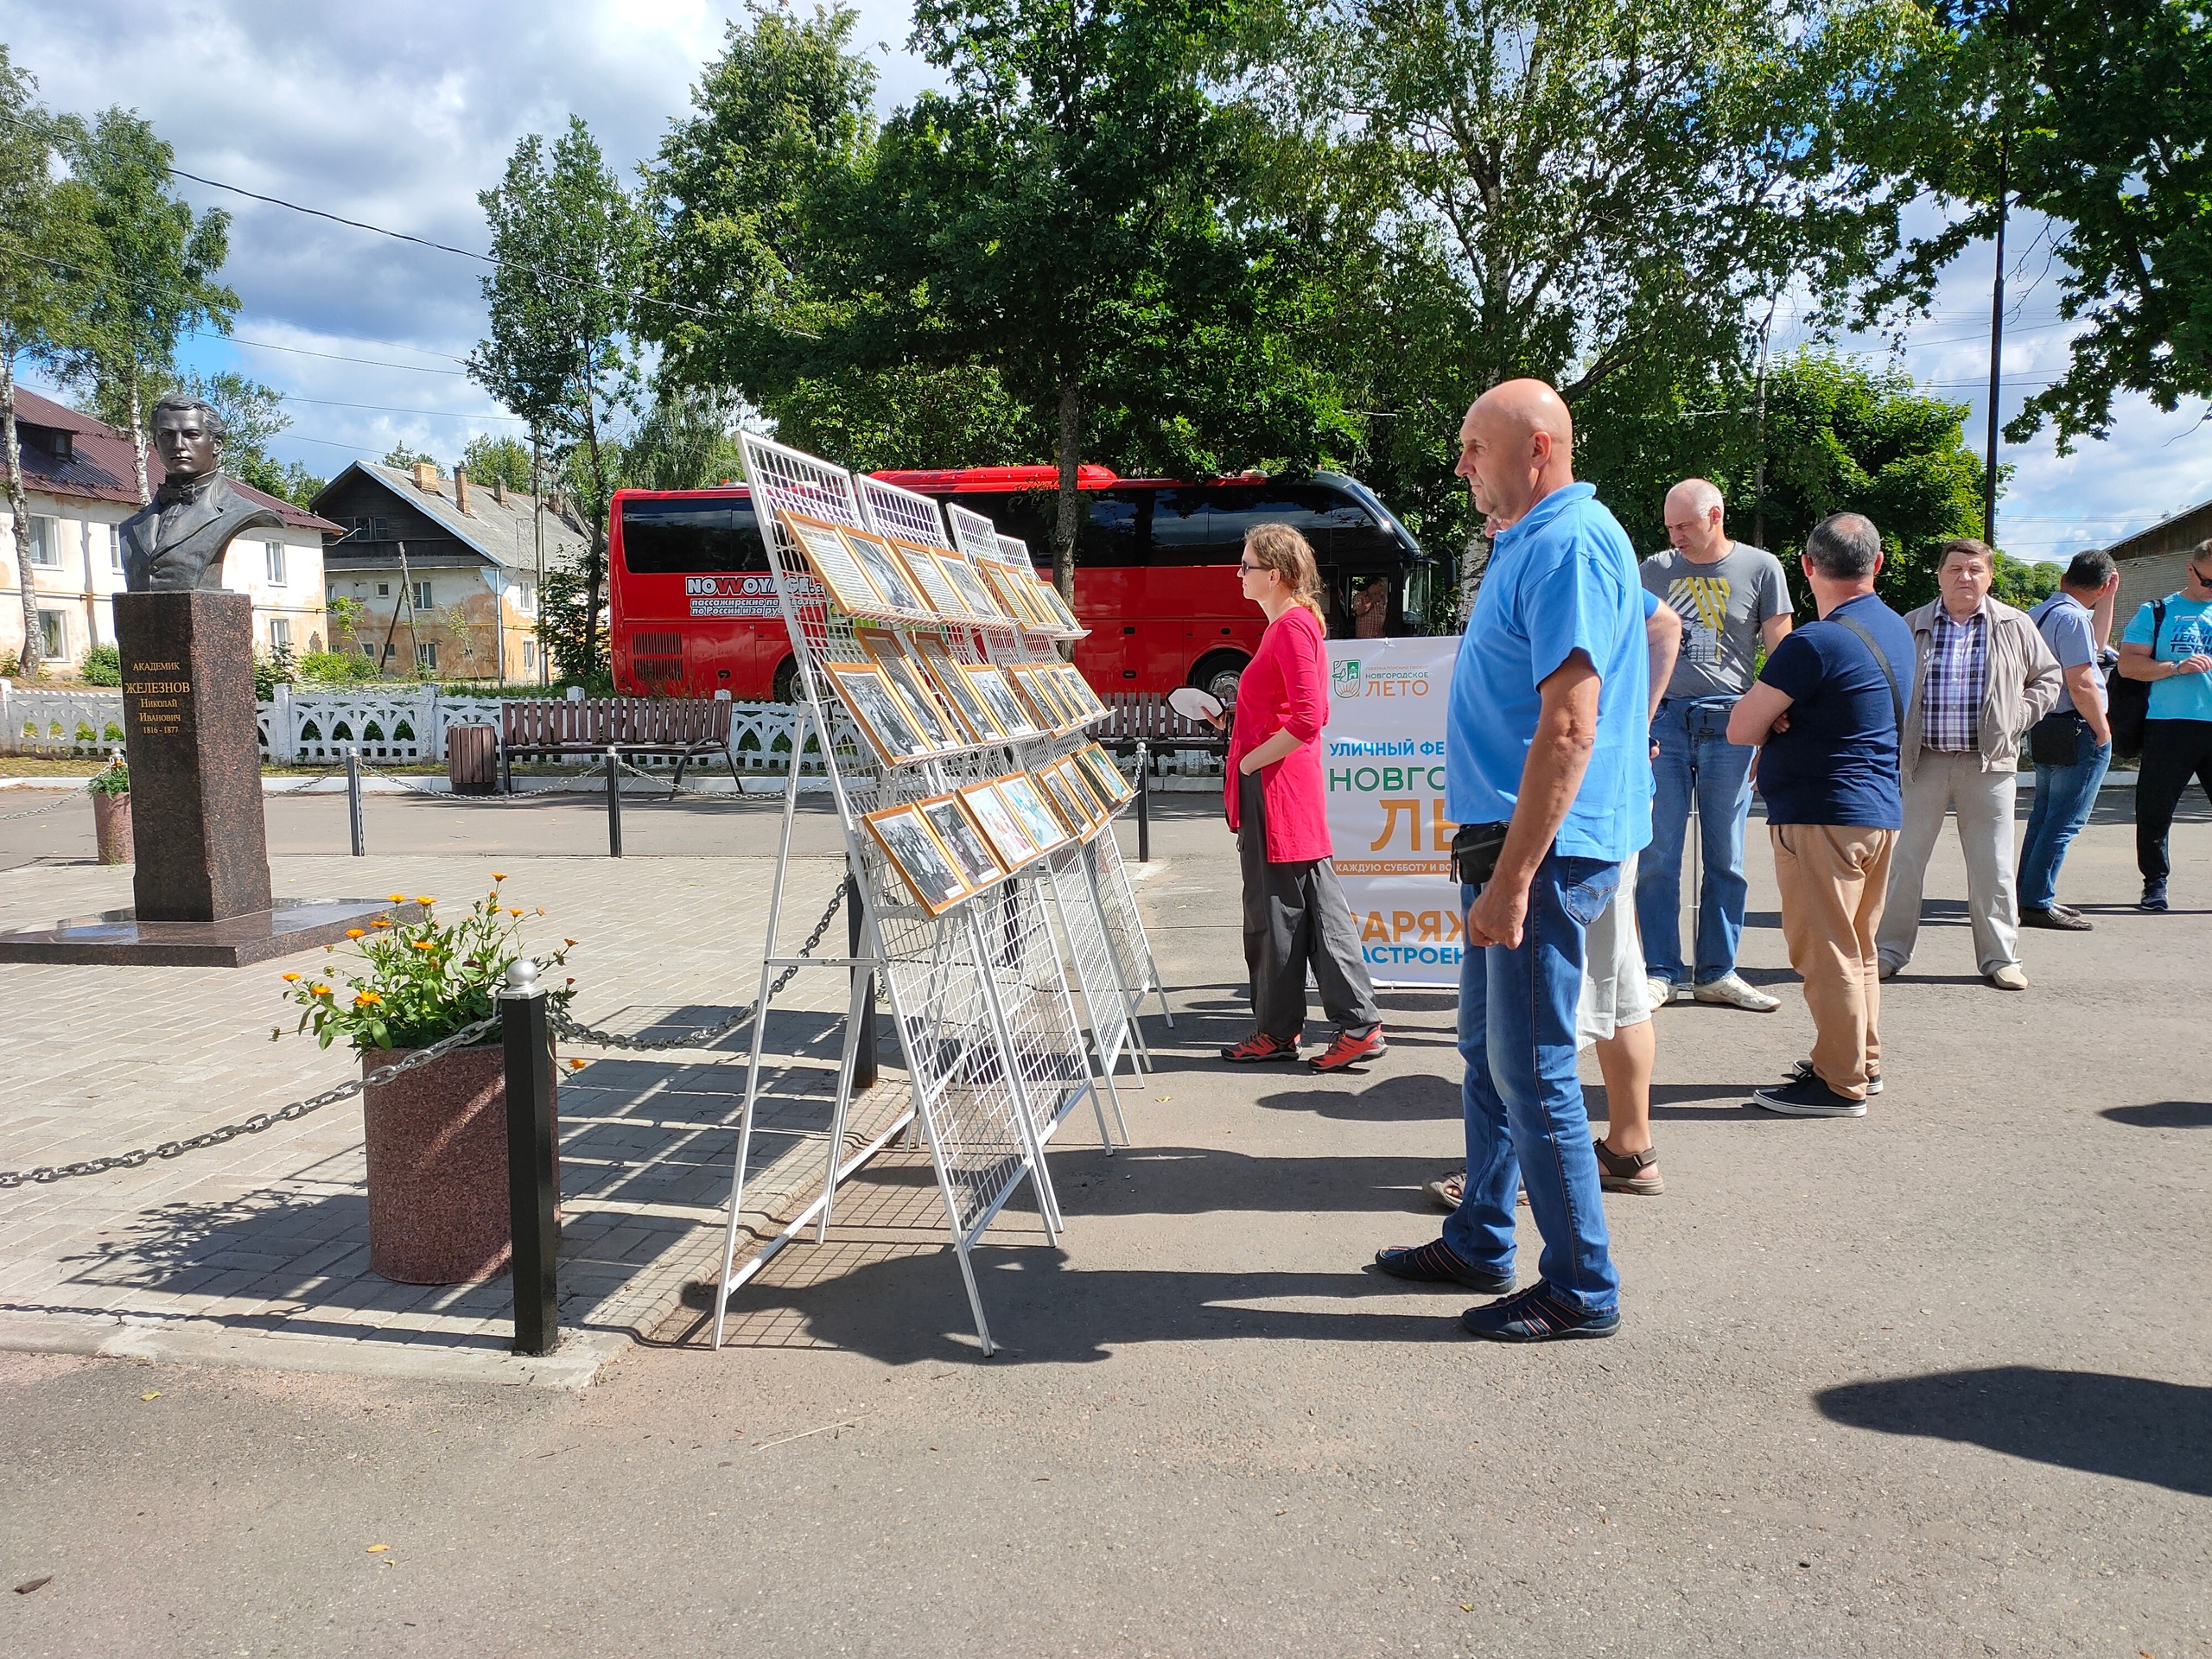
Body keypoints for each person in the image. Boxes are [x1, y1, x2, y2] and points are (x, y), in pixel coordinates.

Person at [1373, 378, 1646, 1343]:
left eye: (1472, 448)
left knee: (1527, 1068)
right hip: (1517, 845)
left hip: (1540, 854)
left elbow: (1569, 725)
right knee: (1491, 1061)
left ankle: (1581, 1285)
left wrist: (1517, 880)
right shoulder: (1542, 539)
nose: (1459, 467)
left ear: (1536, 448)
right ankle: (1483, 1234)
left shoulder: (1567, 540)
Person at [1423, 590, 1681, 1210]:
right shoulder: (1583, 555)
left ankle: (1513, 1187)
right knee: (1616, 985)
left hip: (1570, 818)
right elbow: (1665, 623)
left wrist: (1633, 721)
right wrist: (1635, 720)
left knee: (1535, 1023)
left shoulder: (1562, 555)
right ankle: (1628, 1146)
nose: (1474, 491)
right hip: (1603, 810)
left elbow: (1568, 725)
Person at [1726, 512, 1912, 1116]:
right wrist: (1790, 714)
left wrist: (1779, 717)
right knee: (1858, 948)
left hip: (1820, 813)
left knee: (1825, 953)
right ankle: (1862, 1060)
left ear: (1807, 567)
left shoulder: (1814, 641)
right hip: (1876, 809)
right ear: (1877, 564)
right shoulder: (1895, 629)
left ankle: (1839, 1082)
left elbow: (1740, 726)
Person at [1212, 523, 1385, 1072]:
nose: (1238, 575)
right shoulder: (1291, 625)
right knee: (1303, 908)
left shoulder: (1289, 628)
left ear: (1276, 575)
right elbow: (1288, 712)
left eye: (1247, 566)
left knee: (1281, 912)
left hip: (1278, 789)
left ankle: (1307, 1028)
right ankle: (1315, 1026)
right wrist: (1235, 725)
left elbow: (1311, 717)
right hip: (1284, 786)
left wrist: (1249, 760)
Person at [1875, 538, 2062, 989]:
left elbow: (2049, 676)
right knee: (1903, 861)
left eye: (1975, 570)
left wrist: (2016, 717)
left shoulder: (2015, 624)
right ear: (1939, 575)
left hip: (1990, 763)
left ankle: (2001, 959)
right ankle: (1887, 951)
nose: (1965, 577)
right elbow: (1886, 682)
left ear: (1989, 576)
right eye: (1956, 568)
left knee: (1992, 865)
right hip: (1922, 762)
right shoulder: (1912, 624)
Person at [1637, 479, 1793, 1014]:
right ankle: (1661, 971)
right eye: (1670, 527)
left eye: (1684, 525)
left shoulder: (1761, 567)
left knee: (1727, 853)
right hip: (1666, 722)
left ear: (1716, 515)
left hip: (1733, 720)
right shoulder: (1653, 570)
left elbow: (1780, 647)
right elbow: (1633, 645)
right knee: (1658, 853)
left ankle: (1717, 971)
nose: (1675, 536)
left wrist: (1775, 718)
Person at [2018, 550, 2120, 928]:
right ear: (2106, 583)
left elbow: (2093, 650)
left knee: (2044, 815)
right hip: (2076, 725)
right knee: (2064, 821)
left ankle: (2028, 894)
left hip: (2047, 723)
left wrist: (2106, 599)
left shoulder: (2038, 613)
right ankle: (2037, 900)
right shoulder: (2073, 618)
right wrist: (2102, 728)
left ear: (2065, 578)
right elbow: (2080, 680)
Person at [2117, 537, 2212, 912]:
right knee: (2155, 808)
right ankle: (2154, 883)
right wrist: (2175, 667)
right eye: (2209, 582)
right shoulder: (2156, 611)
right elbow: (2128, 666)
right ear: (2191, 570)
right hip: (2170, 723)